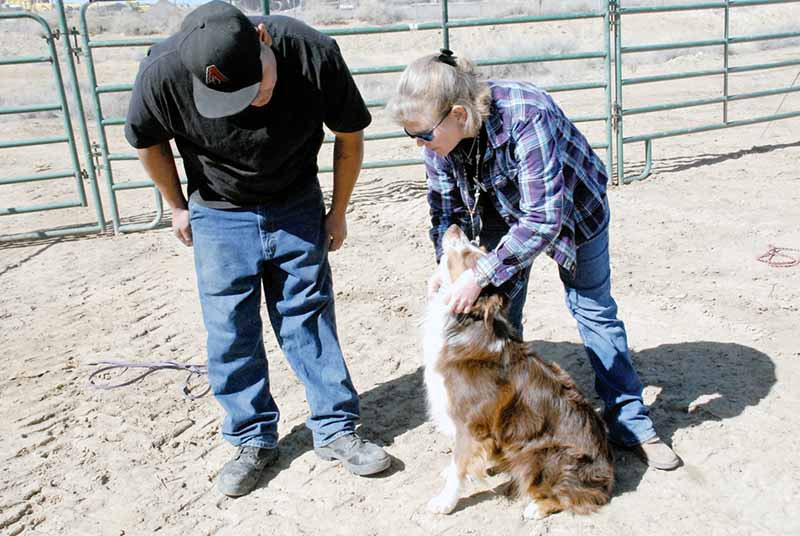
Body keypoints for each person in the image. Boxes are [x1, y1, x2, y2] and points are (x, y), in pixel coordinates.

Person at [125, 0, 390, 497]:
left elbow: (349, 136)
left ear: (264, 39)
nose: (250, 102)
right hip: (218, 214)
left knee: (307, 315)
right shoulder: (162, 72)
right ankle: (251, 439)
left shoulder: (312, 54)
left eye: (258, 86)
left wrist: (338, 211)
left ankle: (335, 429)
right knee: (230, 330)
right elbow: (148, 142)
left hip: (295, 202)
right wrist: (177, 206)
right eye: (232, 96)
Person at [387, 50, 681, 470]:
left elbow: (544, 218)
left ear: (457, 114)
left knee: (593, 310)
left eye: (423, 134)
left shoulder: (526, 113)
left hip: (575, 213)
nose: (419, 144)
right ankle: (511, 425)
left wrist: (482, 272)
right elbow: (444, 210)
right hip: (496, 213)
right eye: (410, 134)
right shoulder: (437, 139)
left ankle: (630, 422)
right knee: (500, 323)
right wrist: (444, 262)